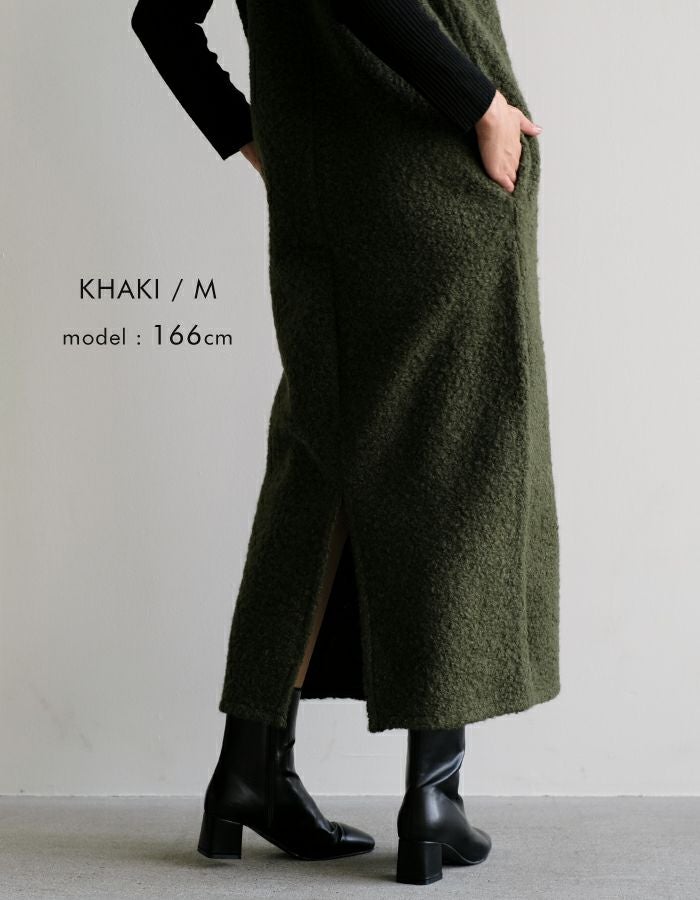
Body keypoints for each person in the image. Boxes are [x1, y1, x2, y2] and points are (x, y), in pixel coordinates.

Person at [132, 0, 559, 886]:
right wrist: (480, 103)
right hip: (434, 169)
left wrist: (256, 140)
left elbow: (161, 21)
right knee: (454, 462)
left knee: (318, 463)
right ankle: (433, 797)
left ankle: (250, 769)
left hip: (321, 199)